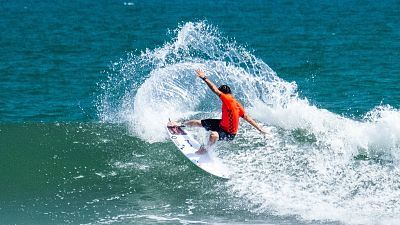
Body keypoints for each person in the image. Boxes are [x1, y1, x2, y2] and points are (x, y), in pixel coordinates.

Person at [184, 69, 268, 154]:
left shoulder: (227, 99)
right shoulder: (236, 103)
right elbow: (247, 118)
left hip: (229, 133)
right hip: (221, 124)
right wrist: (259, 129)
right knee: (197, 122)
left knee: (213, 135)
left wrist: (204, 77)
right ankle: (181, 125)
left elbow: (215, 89)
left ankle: (205, 150)